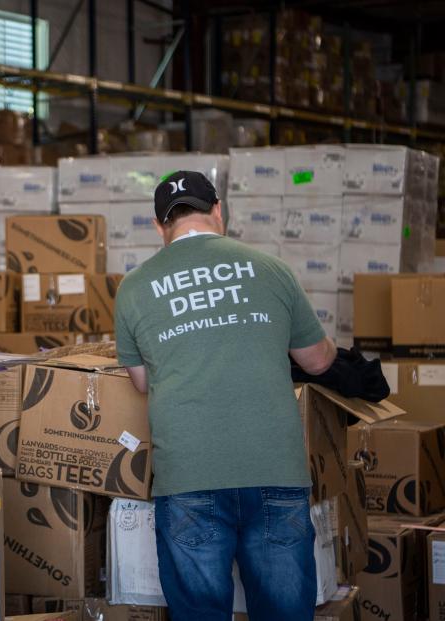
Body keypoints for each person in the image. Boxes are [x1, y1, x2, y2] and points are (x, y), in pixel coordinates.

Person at [114, 171, 336, 621]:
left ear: (159, 226)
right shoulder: (272, 269)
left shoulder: (135, 287)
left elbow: (140, 381)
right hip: (275, 469)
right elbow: (317, 361)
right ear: (218, 211)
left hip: (190, 476)